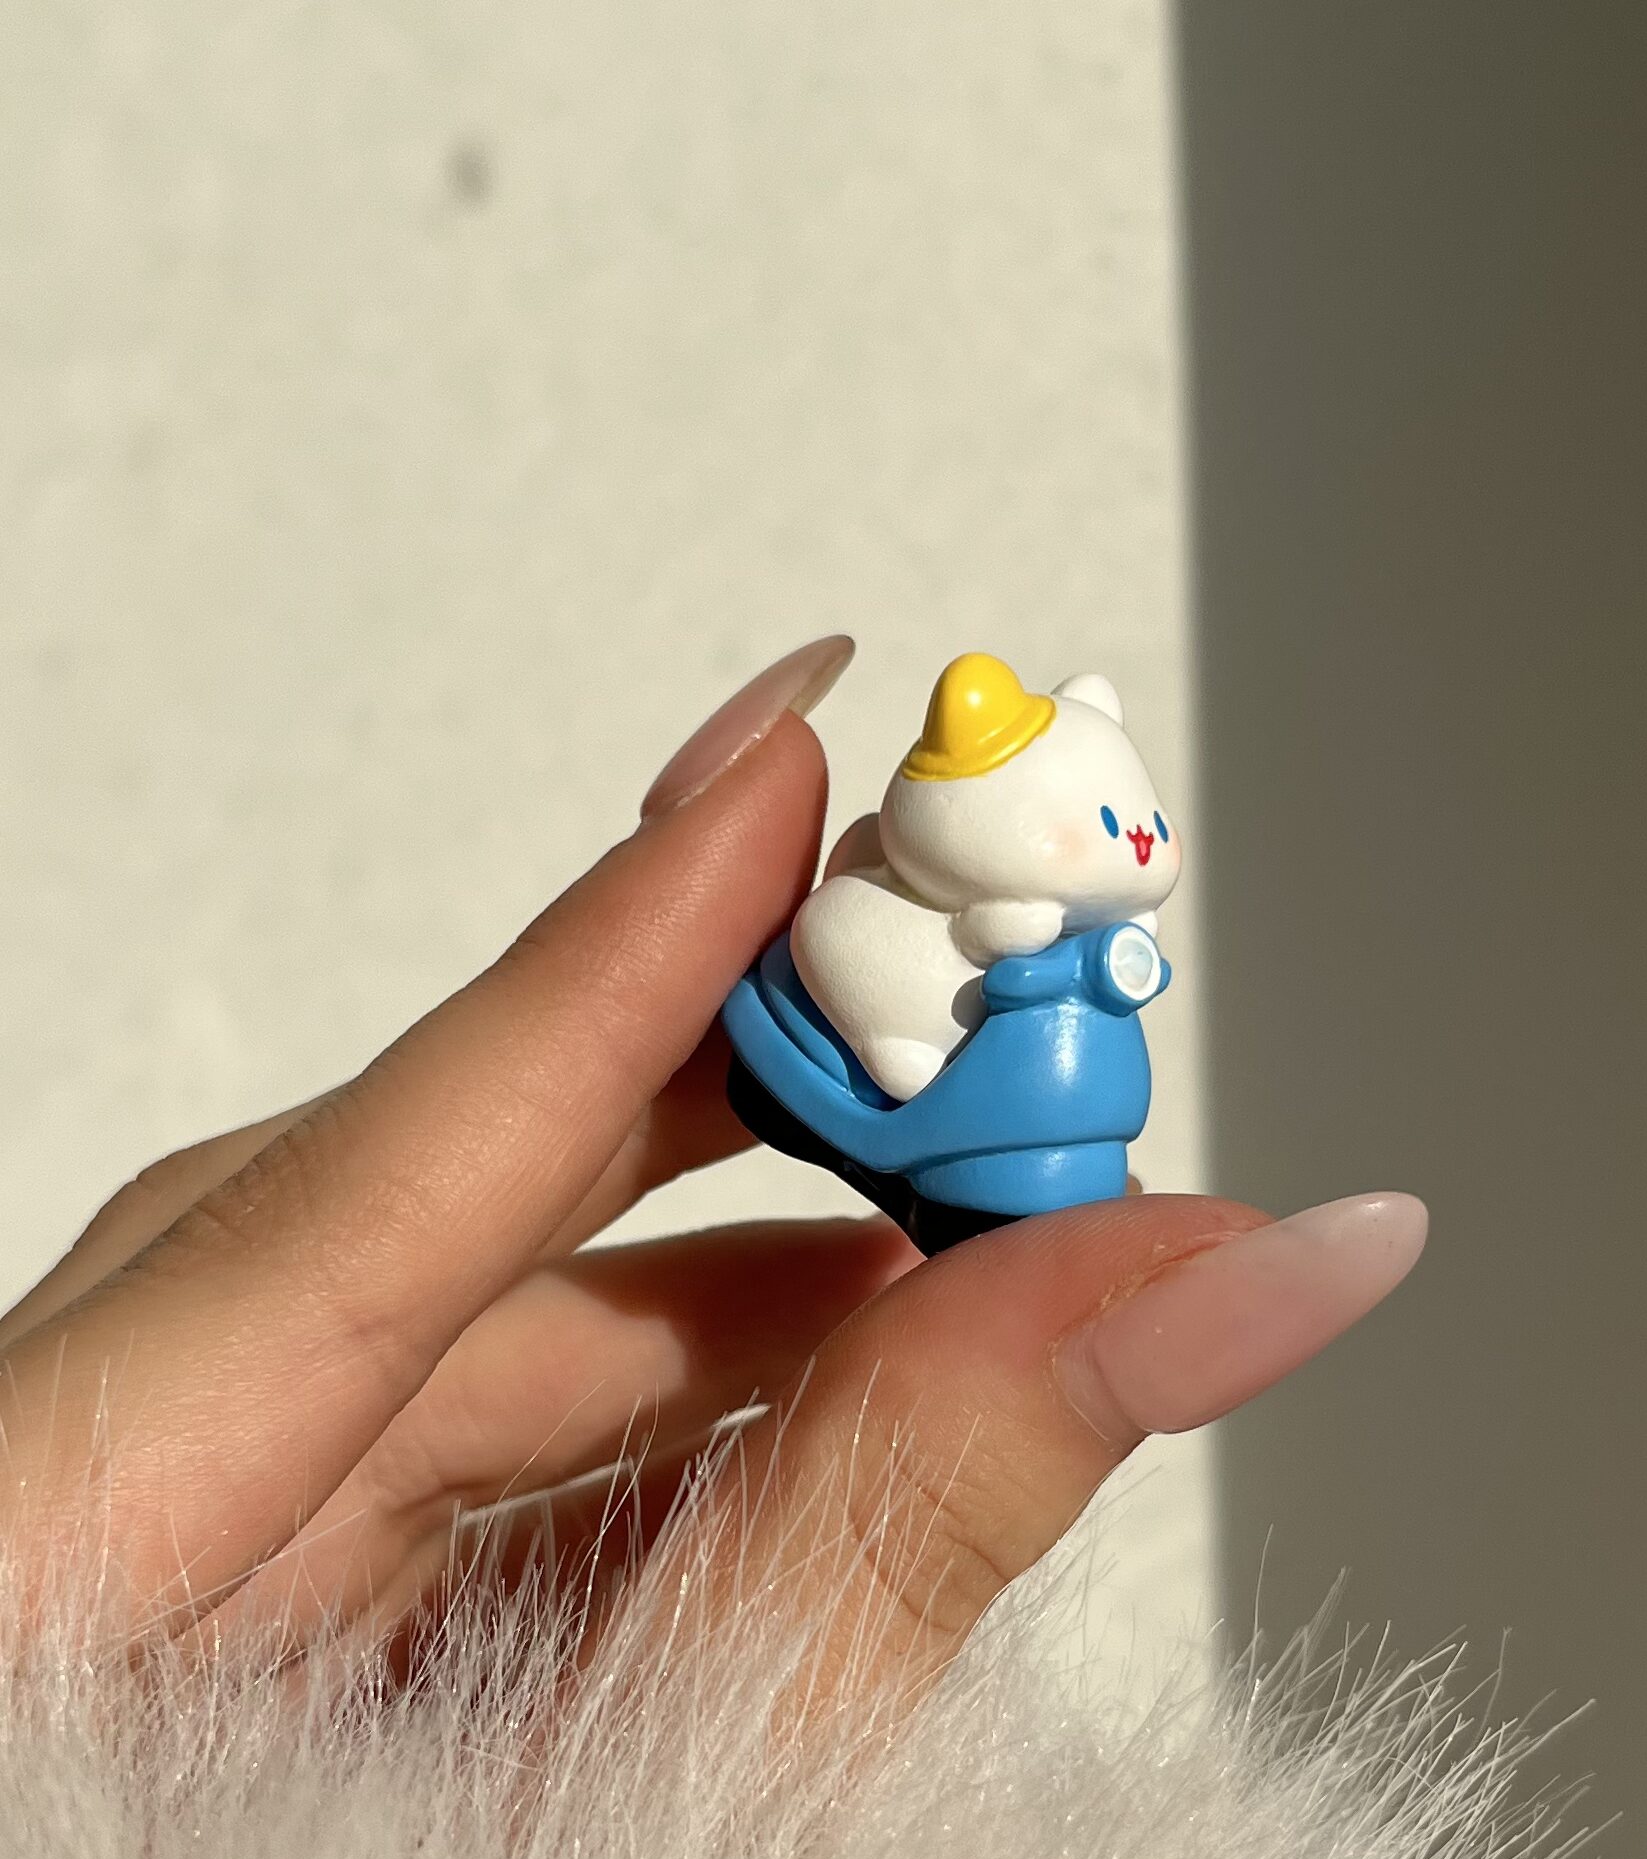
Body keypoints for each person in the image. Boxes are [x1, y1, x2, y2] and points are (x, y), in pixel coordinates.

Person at [0, 635, 1425, 1697]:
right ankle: (902, 1096)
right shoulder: (940, 917)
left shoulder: (1066, 933)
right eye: (1103, 826)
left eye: (1137, 828)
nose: (1135, 841)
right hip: (909, 1060)